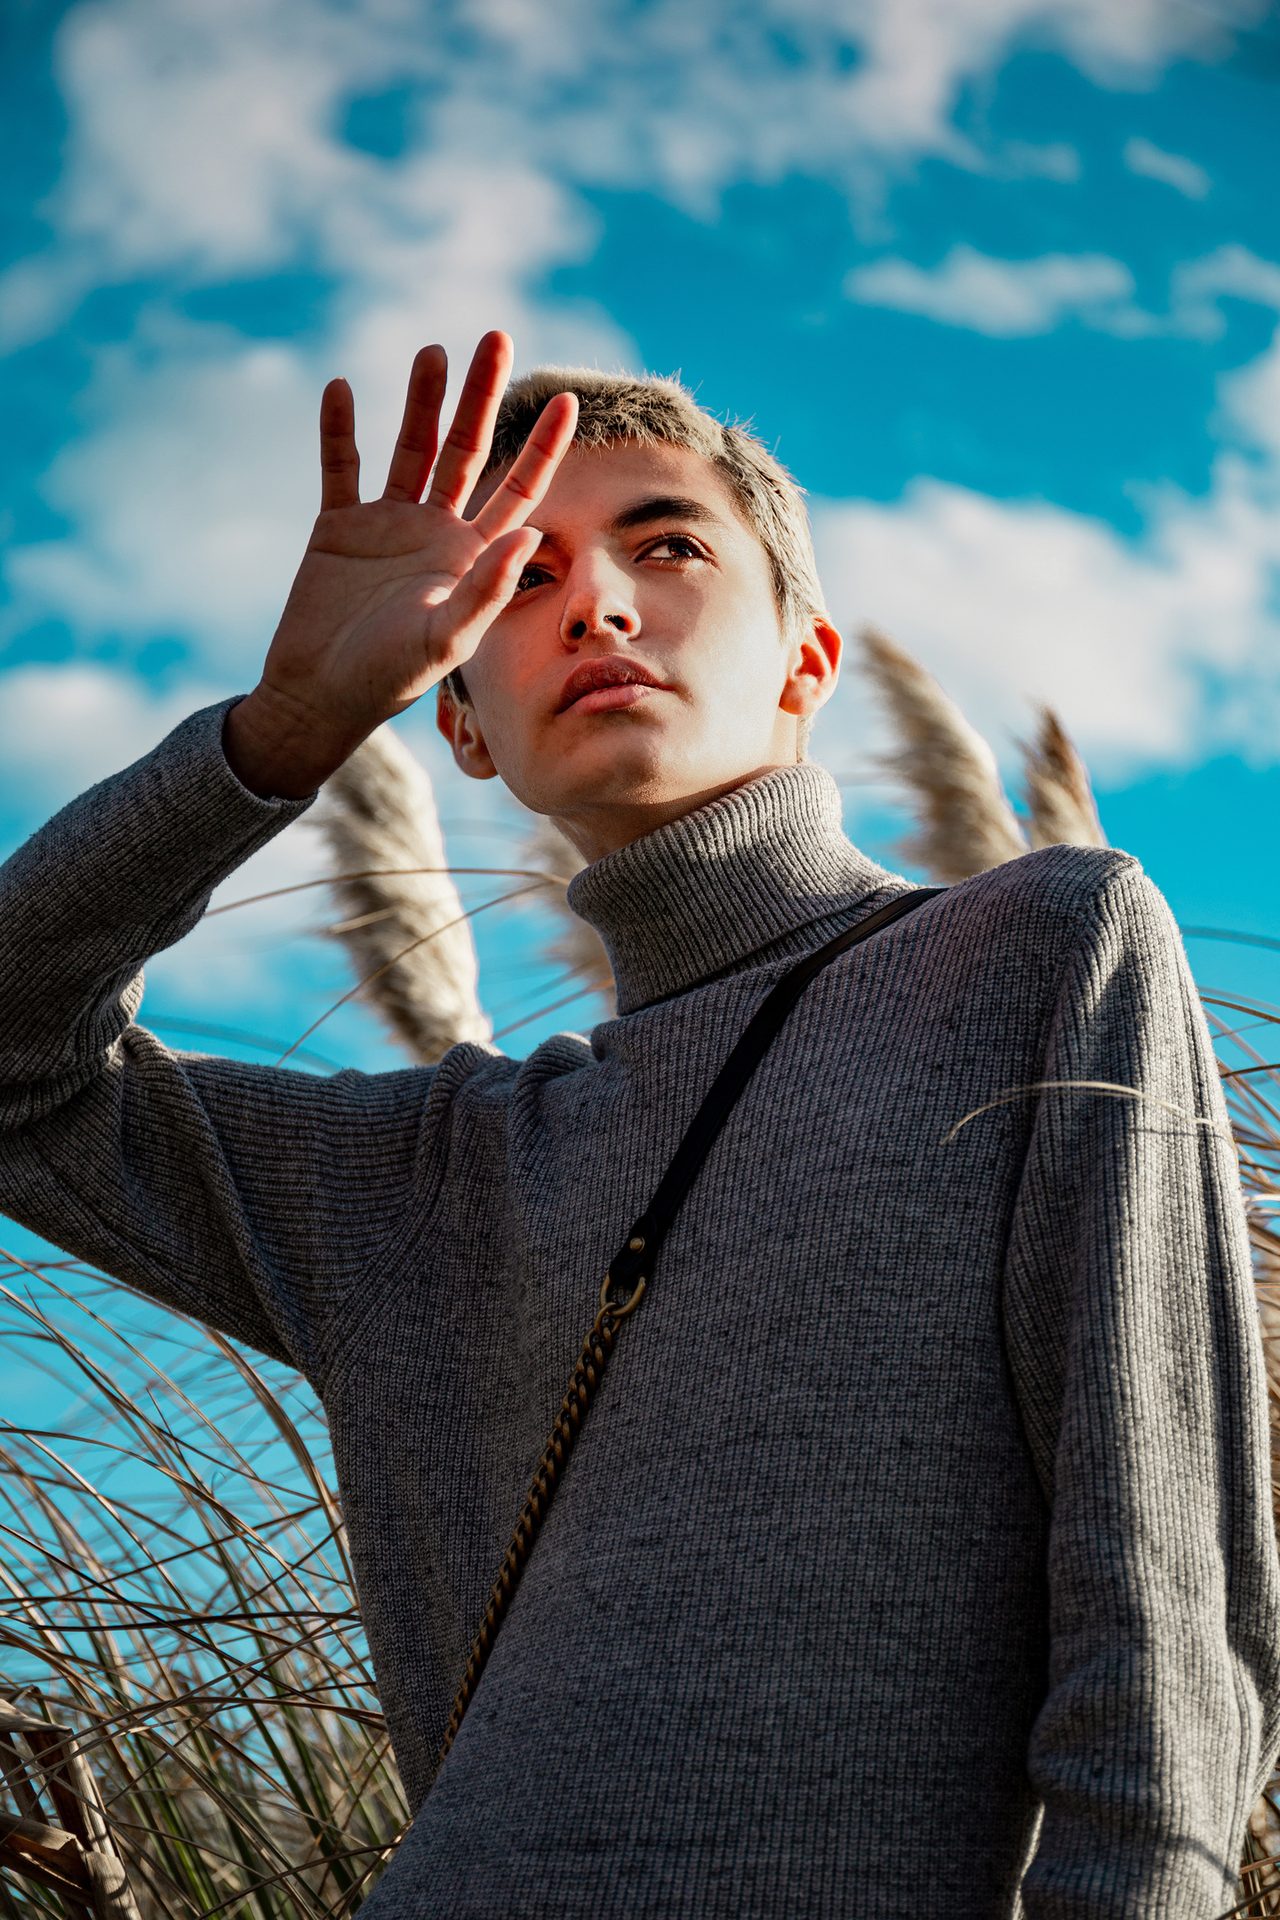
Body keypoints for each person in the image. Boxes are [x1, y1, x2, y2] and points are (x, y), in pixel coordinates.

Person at [0, 327, 1277, 1919]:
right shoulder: (423, 1176)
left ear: (807, 658)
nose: (596, 603)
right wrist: (283, 731)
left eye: (665, 545)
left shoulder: (1042, 952)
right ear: (463, 727)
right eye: (519, 581)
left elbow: (1164, 1605)